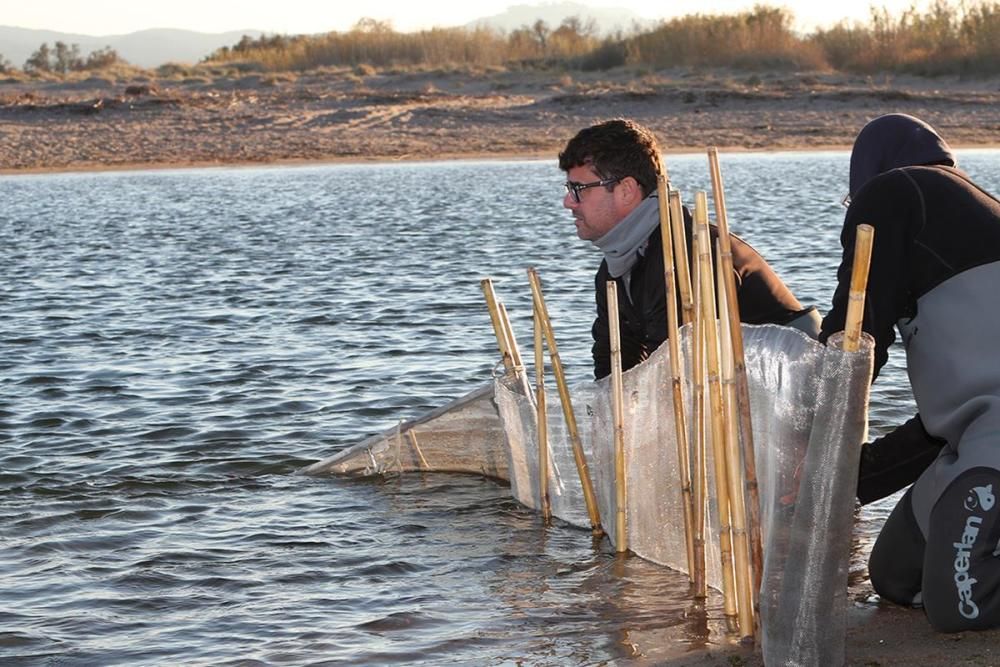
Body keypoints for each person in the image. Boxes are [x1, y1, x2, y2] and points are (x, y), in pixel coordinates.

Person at [819, 113, 1000, 632]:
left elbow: (855, 337)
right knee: (894, 578)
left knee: (960, 606)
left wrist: (810, 437)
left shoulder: (893, 191)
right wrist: (840, 480)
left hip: (992, 440)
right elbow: (937, 426)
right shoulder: (962, 213)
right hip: (968, 441)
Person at [558, 118, 820, 380]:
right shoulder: (618, 263)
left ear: (626, 190)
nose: (568, 202)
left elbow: (684, 368)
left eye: (578, 189)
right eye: (569, 189)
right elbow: (616, 356)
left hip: (787, 387)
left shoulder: (688, 252)